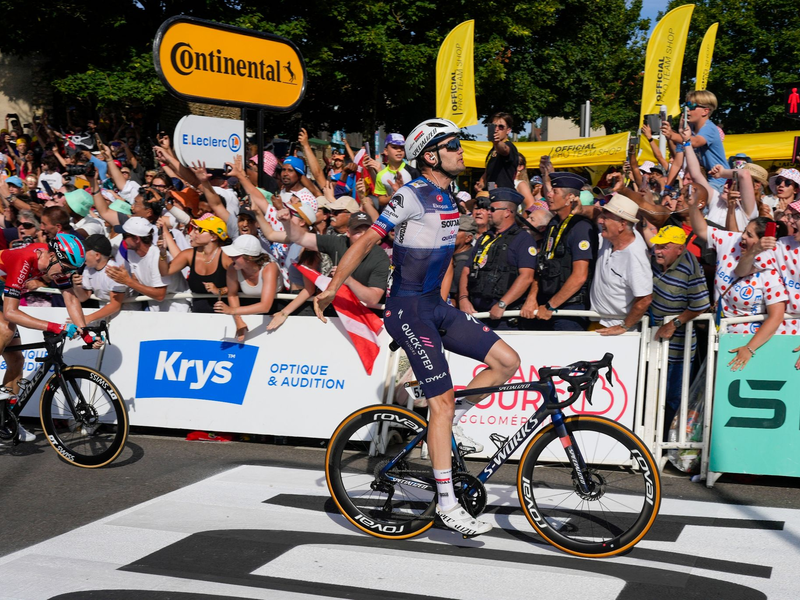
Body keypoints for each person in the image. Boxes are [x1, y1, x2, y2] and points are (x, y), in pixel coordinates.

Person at [313, 118, 520, 537]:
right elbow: (366, 242)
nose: (462, 151)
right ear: (430, 155)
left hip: (435, 307)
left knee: (507, 361)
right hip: (408, 311)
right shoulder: (410, 195)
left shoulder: (451, 197)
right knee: (439, 404)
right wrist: (332, 288)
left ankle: (446, 422)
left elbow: (441, 258)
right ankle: (446, 504)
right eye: (453, 146)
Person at [0, 233, 102, 442]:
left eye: (71, 271)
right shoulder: (26, 259)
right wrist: (54, 326)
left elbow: (71, 299)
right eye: (65, 269)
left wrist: (85, 333)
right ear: (54, 256)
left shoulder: (54, 263)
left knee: (17, 361)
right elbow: (11, 312)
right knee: (6, 329)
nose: (64, 274)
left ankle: (4, 420)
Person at [649, 226, 711, 439]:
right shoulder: (653, 261)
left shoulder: (689, 267)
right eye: (657, 245)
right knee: (648, 394)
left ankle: (667, 442)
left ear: (680, 249)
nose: (658, 250)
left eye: (664, 247)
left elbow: (701, 303)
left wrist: (674, 323)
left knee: (673, 397)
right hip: (651, 340)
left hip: (678, 346)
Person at [459, 188, 537, 329]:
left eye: (493, 209)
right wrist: (463, 299)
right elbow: (466, 269)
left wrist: (502, 304)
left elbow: (526, 277)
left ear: (507, 212)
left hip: (504, 318)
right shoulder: (485, 238)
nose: (488, 212)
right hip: (476, 313)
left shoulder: (523, 240)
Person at [532, 172, 598, 330]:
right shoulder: (554, 223)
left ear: (569, 197)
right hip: (547, 305)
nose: (549, 195)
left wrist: (550, 306)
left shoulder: (581, 227)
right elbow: (542, 265)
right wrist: (532, 298)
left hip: (569, 309)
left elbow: (580, 276)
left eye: (555, 192)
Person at [284, 209, 389, 307]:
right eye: (357, 232)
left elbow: (373, 298)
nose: (363, 236)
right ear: (347, 232)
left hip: (363, 316)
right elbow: (300, 237)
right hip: (335, 309)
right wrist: (286, 221)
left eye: (367, 232)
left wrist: (347, 279)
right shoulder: (337, 242)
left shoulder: (381, 257)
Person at [589, 194, 653, 334]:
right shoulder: (611, 237)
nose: (601, 221)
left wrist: (624, 327)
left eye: (606, 218)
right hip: (598, 322)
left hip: (616, 330)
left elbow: (645, 299)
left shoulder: (635, 256)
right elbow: (592, 213)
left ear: (622, 225)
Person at [106, 217, 191, 312]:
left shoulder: (156, 257)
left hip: (177, 307)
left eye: (125, 236)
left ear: (136, 239)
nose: (123, 240)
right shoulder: (131, 253)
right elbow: (136, 281)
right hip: (154, 306)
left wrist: (127, 281)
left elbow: (160, 294)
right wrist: (120, 276)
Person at [157, 213, 231, 313]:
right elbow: (165, 271)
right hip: (197, 317)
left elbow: (241, 285)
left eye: (199, 230)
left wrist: (219, 291)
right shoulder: (189, 255)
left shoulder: (226, 257)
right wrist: (162, 252)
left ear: (213, 237)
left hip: (224, 316)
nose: (191, 234)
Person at [214, 234, 281, 341]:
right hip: (247, 308)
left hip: (277, 308)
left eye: (235, 255)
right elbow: (232, 294)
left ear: (249, 258)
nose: (230, 257)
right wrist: (238, 321)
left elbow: (265, 306)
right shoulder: (232, 268)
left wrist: (232, 310)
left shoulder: (269, 268)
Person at [661, 90, 728, 193]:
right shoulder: (688, 129)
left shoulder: (709, 127)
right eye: (686, 105)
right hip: (702, 180)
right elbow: (677, 164)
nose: (687, 109)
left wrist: (672, 135)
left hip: (719, 181)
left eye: (691, 106)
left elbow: (696, 142)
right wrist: (667, 189)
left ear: (705, 111)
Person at [72, 234, 130, 323]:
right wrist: (76, 286)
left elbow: (115, 305)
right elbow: (83, 297)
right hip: (103, 314)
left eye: (85, 251)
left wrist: (88, 318)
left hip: (126, 314)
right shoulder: (88, 269)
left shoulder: (114, 271)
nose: (81, 255)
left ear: (97, 255)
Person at [474, 112, 519, 193]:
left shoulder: (509, 146)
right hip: (493, 192)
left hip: (505, 194)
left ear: (508, 130)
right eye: (493, 126)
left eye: (501, 127)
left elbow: (505, 150)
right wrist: (480, 184)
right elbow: (489, 172)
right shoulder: (493, 150)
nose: (496, 129)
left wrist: (497, 143)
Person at [370, 134, 418, 207]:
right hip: (391, 215)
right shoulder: (381, 175)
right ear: (386, 151)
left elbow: (422, 195)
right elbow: (381, 200)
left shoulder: (413, 172)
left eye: (402, 147)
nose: (399, 150)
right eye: (394, 147)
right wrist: (393, 196)